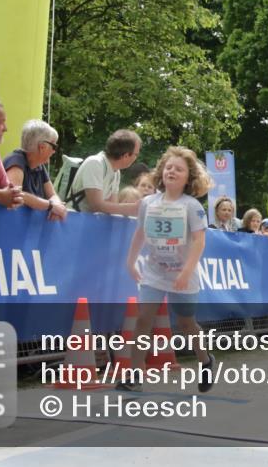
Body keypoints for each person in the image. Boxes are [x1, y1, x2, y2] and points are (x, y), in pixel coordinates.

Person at [122, 146, 215, 393]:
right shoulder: (147, 203)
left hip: (183, 273)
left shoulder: (192, 206)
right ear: (161, 171)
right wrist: (130, 261)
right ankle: (134, 374)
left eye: (179, 169)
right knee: (143, 319)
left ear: (188, 177)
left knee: (186, 322)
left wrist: (186, 271)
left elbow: (199, 241)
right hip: (155, 272)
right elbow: (140, 233)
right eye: (168, 167)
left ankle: (205, 360)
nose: (172, 171)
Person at [2, 120, 67, 221]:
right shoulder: (16, 160)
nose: (54, 151)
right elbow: (15, 195)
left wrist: (56, 206)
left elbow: (53, 195)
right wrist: (50, 206)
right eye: (54, 146)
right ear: (42, 147)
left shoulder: (39, 166)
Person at [68, 129, 141, 216]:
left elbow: (112, 207)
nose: (136, 158)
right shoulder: (95, 163)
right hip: (74, 218)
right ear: (126, 155)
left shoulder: (116, 172)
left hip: (90, 220)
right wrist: (130, 209)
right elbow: (96, 206)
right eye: (136, 154)